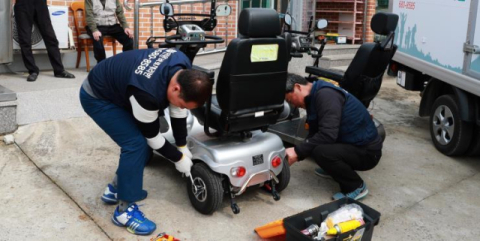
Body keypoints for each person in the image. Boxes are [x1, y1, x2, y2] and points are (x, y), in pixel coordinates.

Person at [79, 48, 212, 235]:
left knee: (138, 140)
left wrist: (182, 144)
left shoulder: (182, 64)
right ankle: (124, 213)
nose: (181, 107)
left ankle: (115, 189)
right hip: (97, 97)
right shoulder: (146, 94)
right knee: (136, 145)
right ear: (176, 88)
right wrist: (178, 158)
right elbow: (153, 138)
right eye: (182, 103)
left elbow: (178, 110)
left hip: (119, 87)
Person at [284, 74, 383, 201]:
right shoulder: (314, 95)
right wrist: (299, 154)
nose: (294, 105)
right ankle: (335, 169)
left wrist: (297, 151)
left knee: (321, 152)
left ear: (298, 87)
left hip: (368, 152)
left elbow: (327, 135)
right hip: (351, 142)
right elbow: (315, 132)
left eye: (291, 100)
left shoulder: (326, 95)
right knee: (312, 145)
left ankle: (355, 187)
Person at [14, 0, 75, 82]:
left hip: (40, 4)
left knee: (51, 38)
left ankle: (59, 70)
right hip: (23, 4)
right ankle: (32, 71)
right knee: (25, 40)